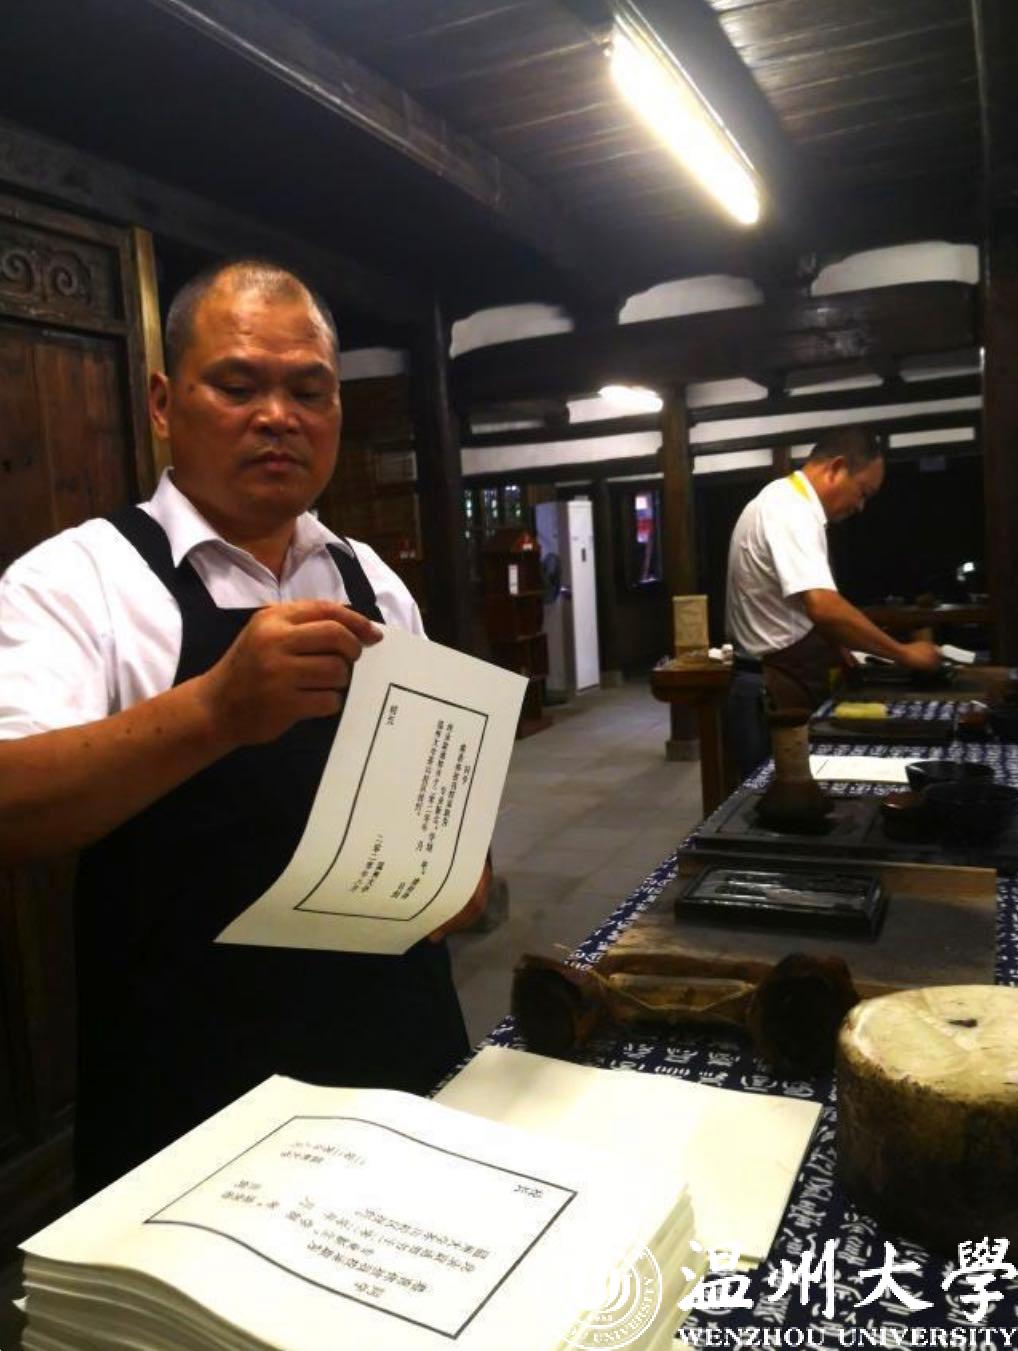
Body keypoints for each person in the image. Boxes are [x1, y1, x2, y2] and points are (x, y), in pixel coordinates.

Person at [0, 259, 486, 1197]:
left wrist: (461, 870)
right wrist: (216, 710)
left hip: (396, 1045)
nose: (278, 417)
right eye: (237, 385)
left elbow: (435, 790)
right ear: (162, 403)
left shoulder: (371, 579)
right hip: (191, 1077)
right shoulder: (77, 581)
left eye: (309, 391)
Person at [724, 426, 941, 777]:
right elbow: (824, 606)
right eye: (862, 492)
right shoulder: (790, 508)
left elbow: (794, 611)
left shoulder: (786, 502)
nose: (860, 506)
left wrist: (837, 646)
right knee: (772, 798)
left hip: (777, 678)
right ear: (836, 468)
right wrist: (905, 654)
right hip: (768, 687)